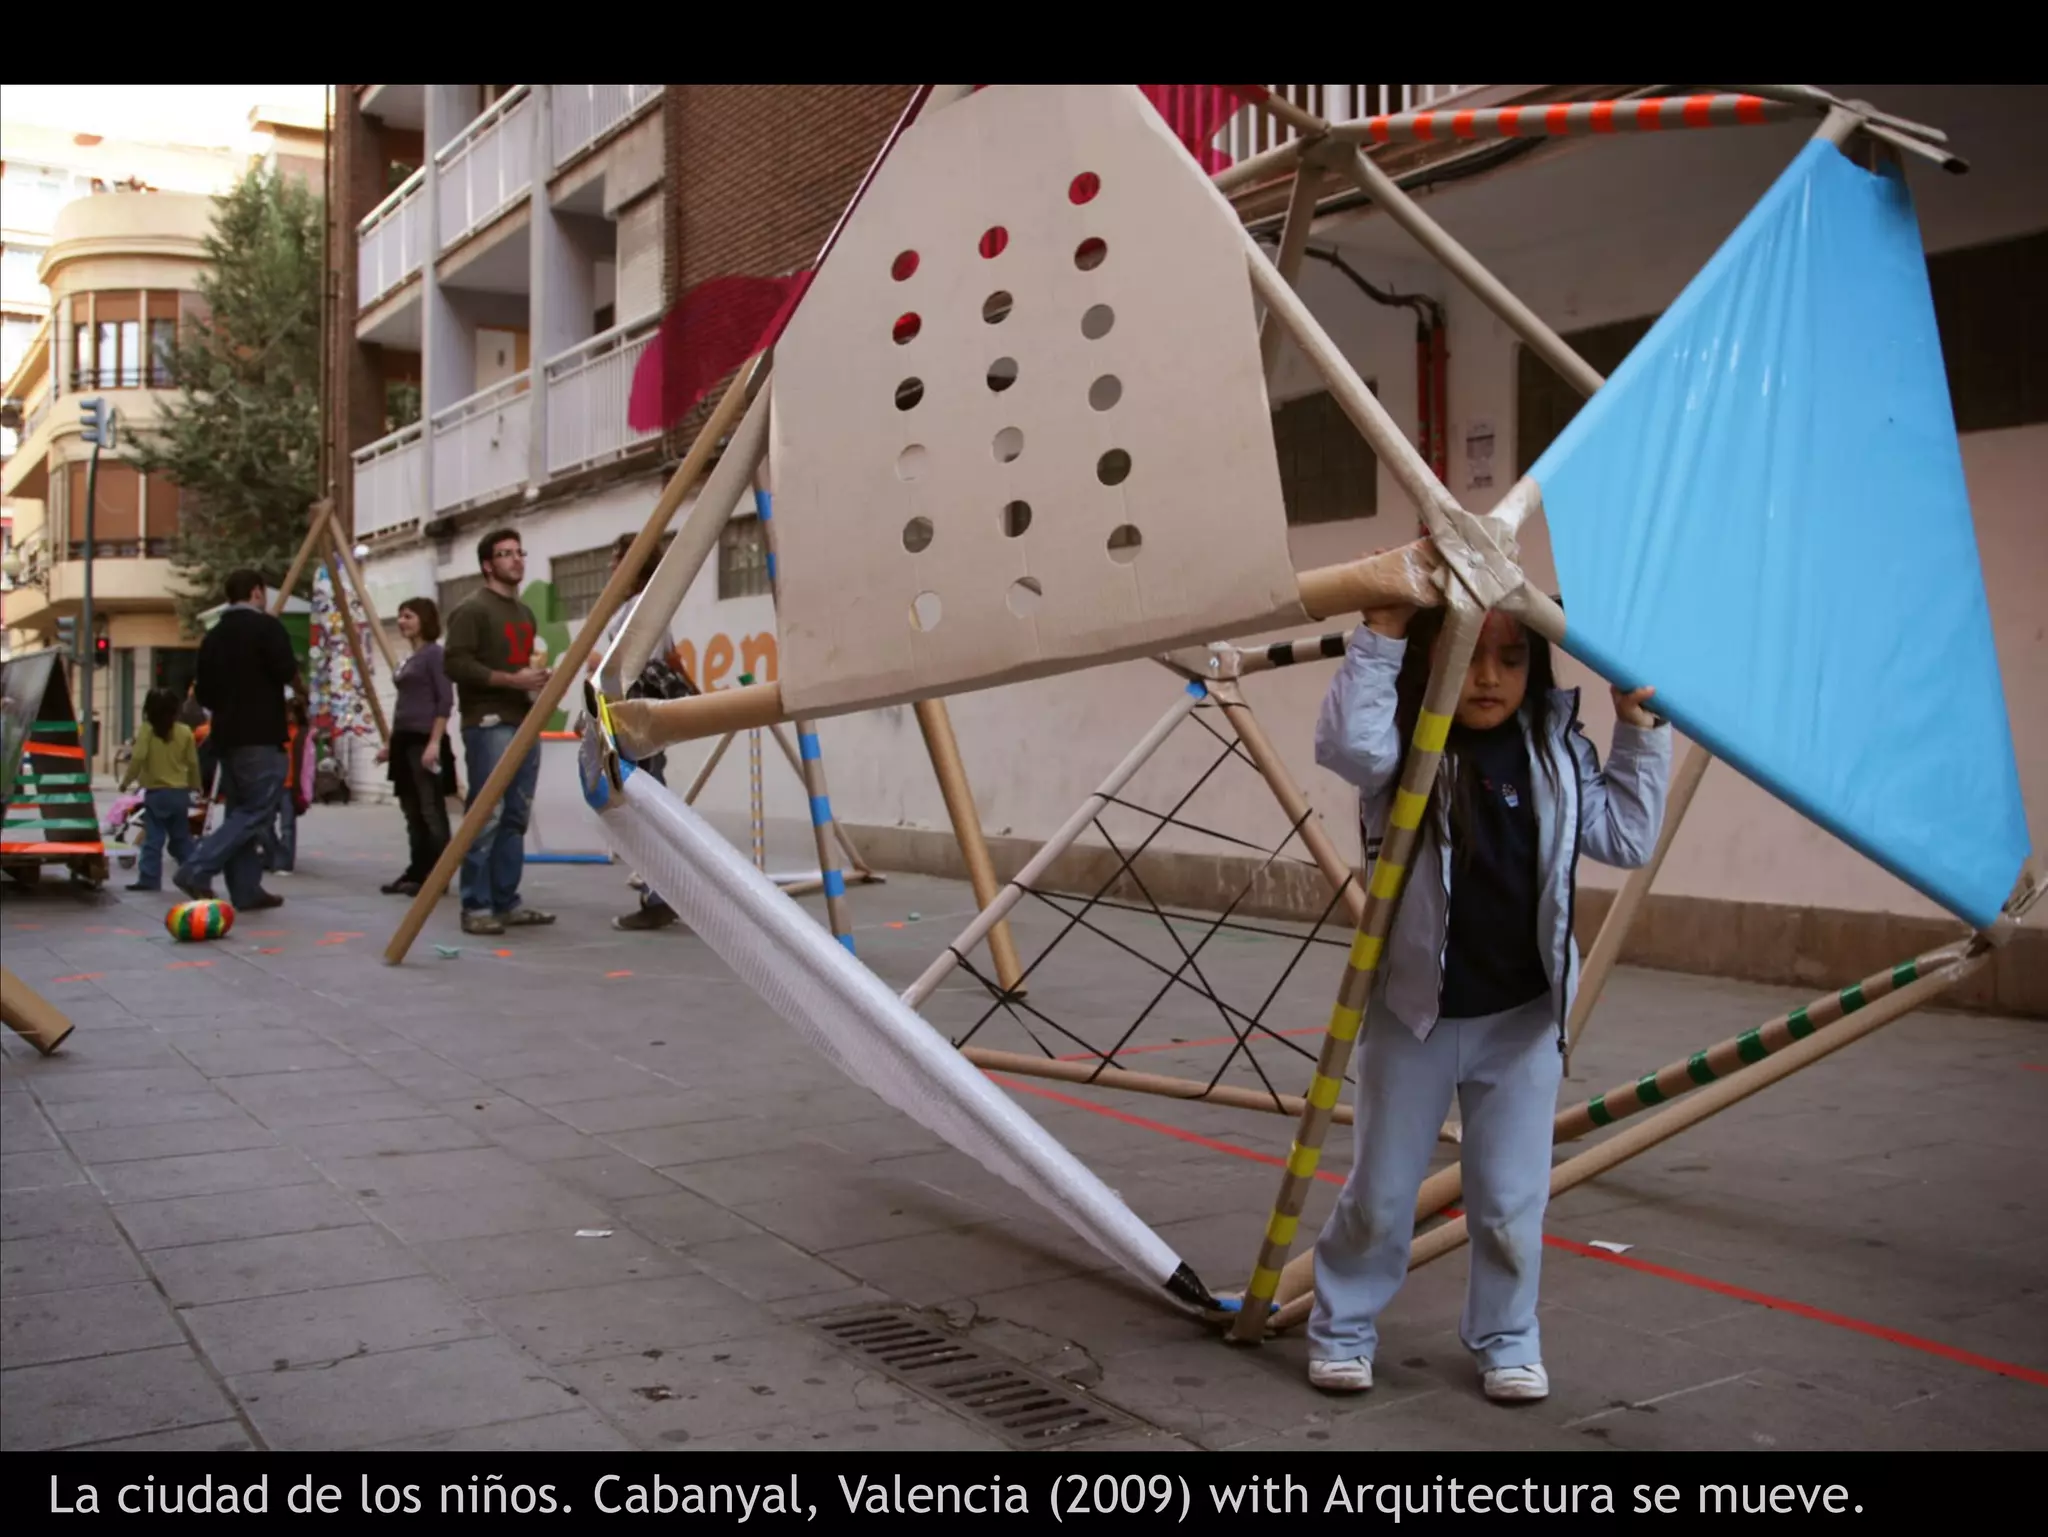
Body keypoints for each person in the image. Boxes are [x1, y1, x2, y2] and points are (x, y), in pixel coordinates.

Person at [1304, 592, 1670, 1405]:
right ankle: (1343, 1328)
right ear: (1432, 658)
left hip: (1521, 1021)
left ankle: (1508, 1337)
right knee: (1382, 1195)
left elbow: (1628, 837)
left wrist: (1640, 732)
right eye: (1468, 655)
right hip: (1415, 1019)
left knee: (1510, 1202)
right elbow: (1346, 744)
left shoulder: (1556, 750)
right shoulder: (1403, 749)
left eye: (1510, 659)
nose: (1490, 678)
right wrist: (1384, 633)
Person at [442, 528, 553, 936]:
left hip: (523, 719)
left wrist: (536, 679)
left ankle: (506, 901)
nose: (516, 559)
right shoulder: (472, 609)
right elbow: (455, 664)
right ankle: (476, 905)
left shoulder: (524, 613)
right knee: (487, 812)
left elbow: (518, 665)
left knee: (516, 814)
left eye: (519, 552)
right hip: (488, 721)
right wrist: (511, 680)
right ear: (488, 565)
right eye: (505, 553)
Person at [173, 570, 297, 910]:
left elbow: (204, 693)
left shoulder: (214, 636)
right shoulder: (267, 628)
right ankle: (197, 868)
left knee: (240, 811)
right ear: (256, 592)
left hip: (227, 736)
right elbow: (287, 671)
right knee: (257, 811)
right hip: (261, 734)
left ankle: (246, 889)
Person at [588, 531, 693, 932]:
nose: (612, 566)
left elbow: (640, 659)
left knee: (642, 803)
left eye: (617, 558)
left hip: (636, 712)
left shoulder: (641, 605)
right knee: (646, 798)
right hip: (637, 711)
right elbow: (670, 656)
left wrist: (599, 664)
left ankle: (659, 894)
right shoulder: (646, 603)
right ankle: (663, 891)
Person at [377, 597, 456, 897]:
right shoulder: (410, 657)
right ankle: (417, 870)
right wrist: (390, 743)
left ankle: (438, 875)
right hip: (404, 740)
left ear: (425, 619)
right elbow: (404, 703)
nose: (402, 622)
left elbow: (444, 700)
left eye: (408, 616)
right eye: (400, 616)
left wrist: (434, 742)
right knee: (411, 810)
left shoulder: (435, 655)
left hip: (424, 740)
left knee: (430, 809)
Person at [120, 687, 202, 893]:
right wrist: (196, 785)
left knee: (153, 839)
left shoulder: (147, 731)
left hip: (156, 793)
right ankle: (195, 874)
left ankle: (149, 879)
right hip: (180, 793)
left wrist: (126, 782)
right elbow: (193, 763)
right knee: (181, 838)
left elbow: (138, 758)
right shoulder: (185, 732)